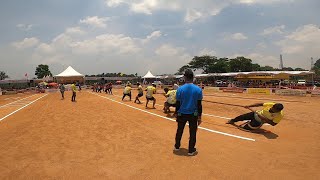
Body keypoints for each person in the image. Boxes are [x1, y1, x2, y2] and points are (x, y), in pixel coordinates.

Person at [174, 69, 202, 156]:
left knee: (179, 130)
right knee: (193, 132)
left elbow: (177, 103)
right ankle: (191, 150)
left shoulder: (180, 89)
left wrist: (176, 113)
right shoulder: (198, 89)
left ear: (185, 77)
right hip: (193, 114)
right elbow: (199, 105)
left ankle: (177, 146)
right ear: (193, 77)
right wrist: (199, 117)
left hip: (181, 113)